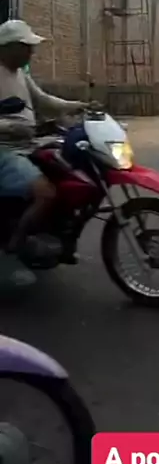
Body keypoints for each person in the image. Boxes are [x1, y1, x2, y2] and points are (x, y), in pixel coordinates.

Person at [0, 20, 85, 284]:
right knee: (46, 193)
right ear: (8, 47)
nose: (31, 52)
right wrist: (9, 127)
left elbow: (44, 100)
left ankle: (52, 232)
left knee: (66, 169)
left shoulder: (20, 74)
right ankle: (14, 245)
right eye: (26, 47)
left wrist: (76, 105)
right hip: (5, 150)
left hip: (28, 144)